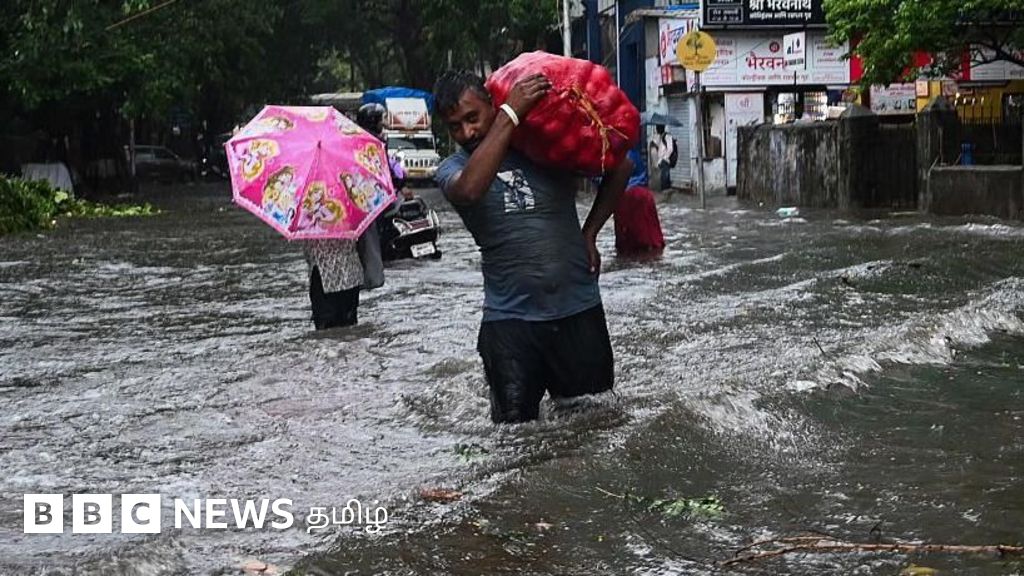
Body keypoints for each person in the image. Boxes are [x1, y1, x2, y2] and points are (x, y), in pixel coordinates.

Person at [432, 69, 633, 424]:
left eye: (473, 118)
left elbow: (621, 166)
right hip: (510, 324)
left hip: (578, 312)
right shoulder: (454, 169)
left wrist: (590, 233)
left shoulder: (545, 149)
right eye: (455, 127)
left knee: (595, 425)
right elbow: (471, 190)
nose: (467, 132)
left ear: (491, 103)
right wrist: (509, 115)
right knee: (515, 438)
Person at [302, 103, 392, 329]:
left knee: (326, 332)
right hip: (350, 274)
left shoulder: (304, 195)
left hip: (324, 278)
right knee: (350, 328)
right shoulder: (352, 185)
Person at [613, 148, 665, 257]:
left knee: (625, 246)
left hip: (621, 195)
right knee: (652, 240)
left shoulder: (612, 154)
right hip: (642, 195)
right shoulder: (633, 151)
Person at [649, 124, 675, 191]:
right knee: (661, 181)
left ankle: (666, 191)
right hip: (659, 162)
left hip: (665, 161)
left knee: (665, 181)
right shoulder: (658, 137)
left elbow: (670, 149)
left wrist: (663, 158)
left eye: (658, 128)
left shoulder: (667, 136)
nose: (657, 129)